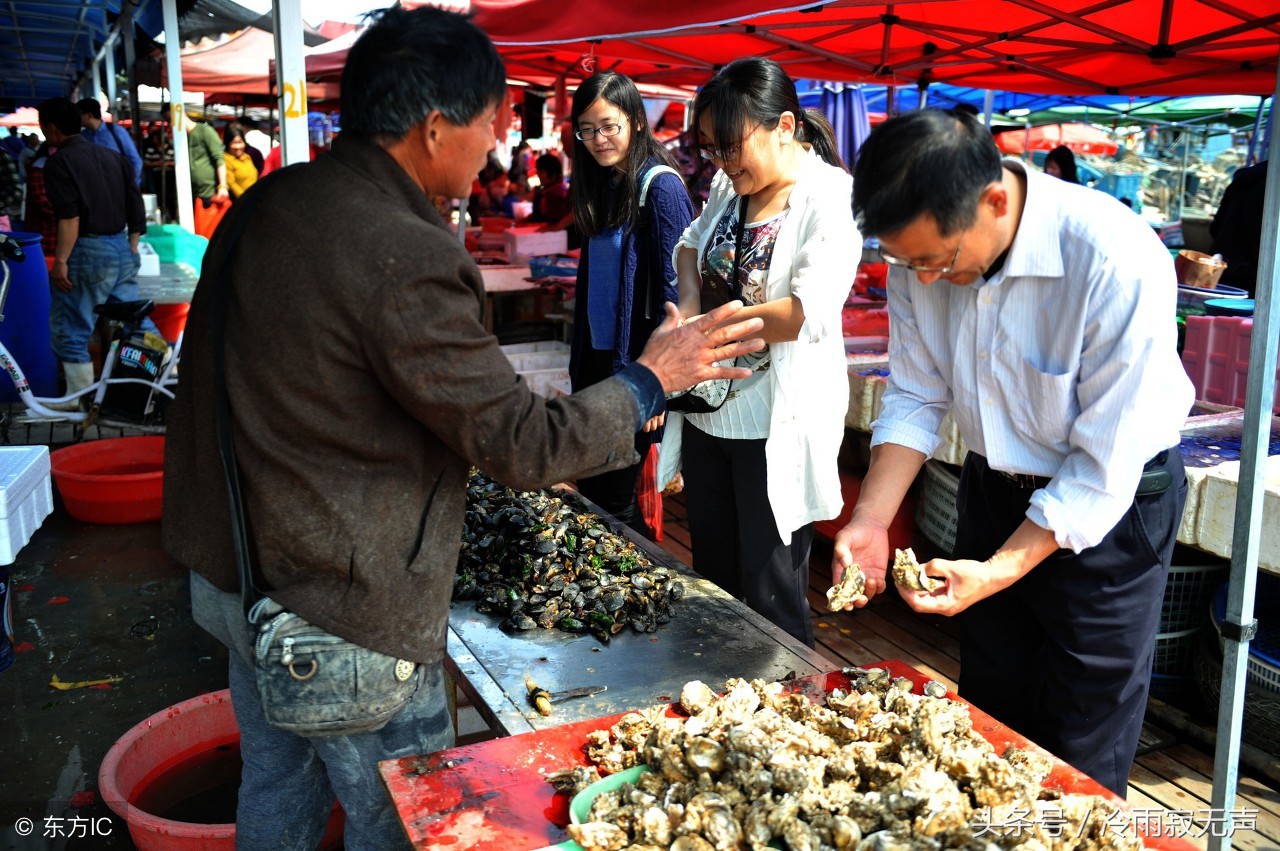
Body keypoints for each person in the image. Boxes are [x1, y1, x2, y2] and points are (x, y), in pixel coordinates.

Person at [160, 8, 760, 849]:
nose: (493, 144)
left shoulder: (269, 203)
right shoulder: (400, 246)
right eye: (490, 123)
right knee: (400, 820)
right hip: (341, 609)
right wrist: (648, 379)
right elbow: (521, 445)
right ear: (434, 126)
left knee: (277, 786)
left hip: (233, 579)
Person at [833, 108, 1193, 797]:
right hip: (996, 489)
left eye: (937, 259)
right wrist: (871, 518)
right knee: (989, 714)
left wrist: (1000, 568)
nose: (924, 280)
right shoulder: (918, 257)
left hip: (1112, 512)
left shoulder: (1113, 257)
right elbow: (916, 394)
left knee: (1080, 732)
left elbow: (1100, 466)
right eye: (908, 263)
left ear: (995, 199)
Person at [665, 57, 859, 647]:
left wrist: (711, 331)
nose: (721, 163)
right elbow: (688, 246)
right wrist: (693, 303)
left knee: (773, 594)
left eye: (731, 147)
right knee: (714, 586)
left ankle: (784, 716)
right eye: (711, 150)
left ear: (784, 127)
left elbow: (806, 310)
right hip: (709, 414)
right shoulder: (730, 184)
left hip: (774, 430)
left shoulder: (826, 197)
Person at [567, 71, 696, 534]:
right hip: (599, 366)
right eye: (587, 129)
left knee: (622, 507)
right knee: (598, 495)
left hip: (639, 373)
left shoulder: (660, 187)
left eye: (609, 126)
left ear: (637, 122)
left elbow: (678, 293)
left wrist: (657, 380)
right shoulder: (605, 185)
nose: (598, 139)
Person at [37, 97, 159, 408]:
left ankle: (74, 402)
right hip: (121, 247)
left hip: (89, 251)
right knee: (136, 319)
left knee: (71, 328)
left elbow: (70, 216)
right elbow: (135, 204)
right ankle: (170, 367)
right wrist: (130, 245)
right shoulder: (111, 156)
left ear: (50, 127)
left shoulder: (59, 162)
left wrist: (61, 261)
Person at [1210, 158, 1267, 298]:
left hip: (1219, 276)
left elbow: (1215, 228)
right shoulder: (1271, 184)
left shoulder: (1244, 178)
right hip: (1255, 286)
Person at [77, 98, 143, 187]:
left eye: (79, 114)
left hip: (119, 187)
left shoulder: (116, 131)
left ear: (89, 115)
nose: (76, 118)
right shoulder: (83, 136)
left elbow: (136, 161)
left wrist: (132, 186)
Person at [183, 112, 229, 238]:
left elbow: (219, 158)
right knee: (198, 232)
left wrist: (223, 186)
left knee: (211, 232)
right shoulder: (181, 138)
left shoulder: (205, 131)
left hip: (210, 194)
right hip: (192, 194)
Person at [520, 152, 572, 230]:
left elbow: (554, 221)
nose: (538, 175)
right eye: (538, 172)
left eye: (542, 172)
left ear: (553, 173)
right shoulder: (547, 191)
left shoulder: (556, 194)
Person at [223, 126, 259, 201]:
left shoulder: (247, 157)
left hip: (254, 198)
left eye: (240, 142)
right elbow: (231, 183)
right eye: (234, 143)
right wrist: (245, 199)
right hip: (240, 202)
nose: (238, 146)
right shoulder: (226, 159)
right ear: (227, 143)